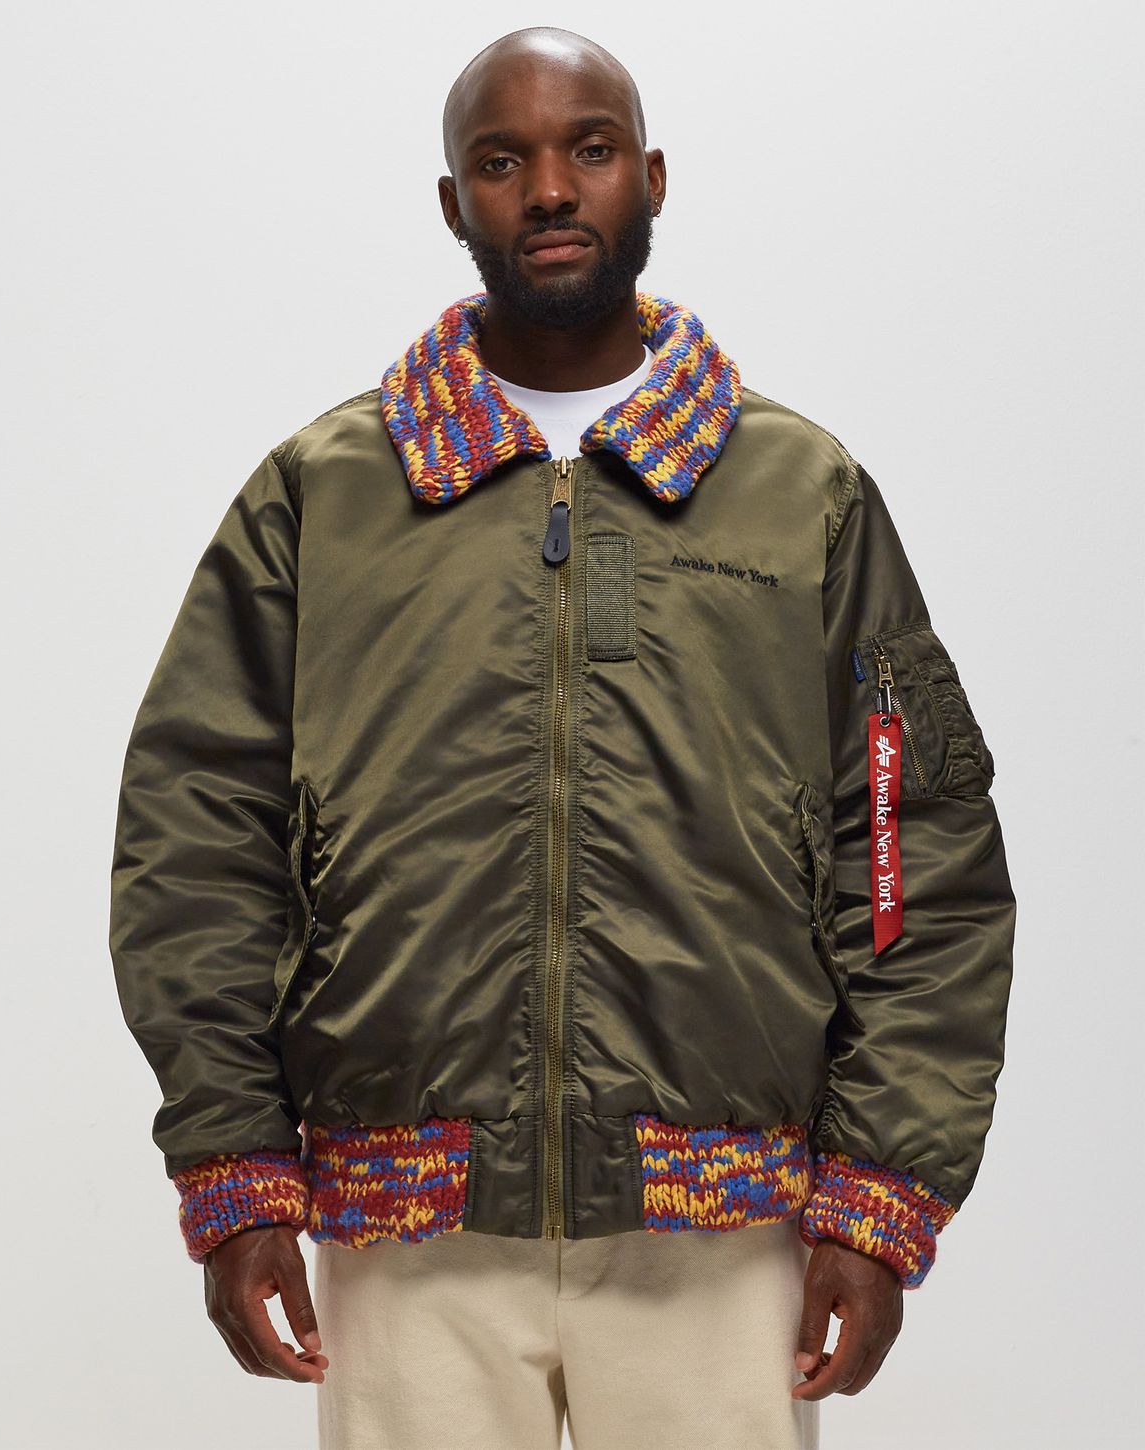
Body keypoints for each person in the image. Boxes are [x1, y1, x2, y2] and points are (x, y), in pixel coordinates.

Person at [108, 25, 1017, 1450]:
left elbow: (915, 851)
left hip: (722, 1237)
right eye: (501, 159)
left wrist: (881, 1195)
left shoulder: (801, 495)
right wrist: (234, 1165)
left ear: (649, 177)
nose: (547, 188)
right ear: (451, 201)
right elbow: (196, 840)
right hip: (412, 1235)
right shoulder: (324, 498)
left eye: (587, 149)